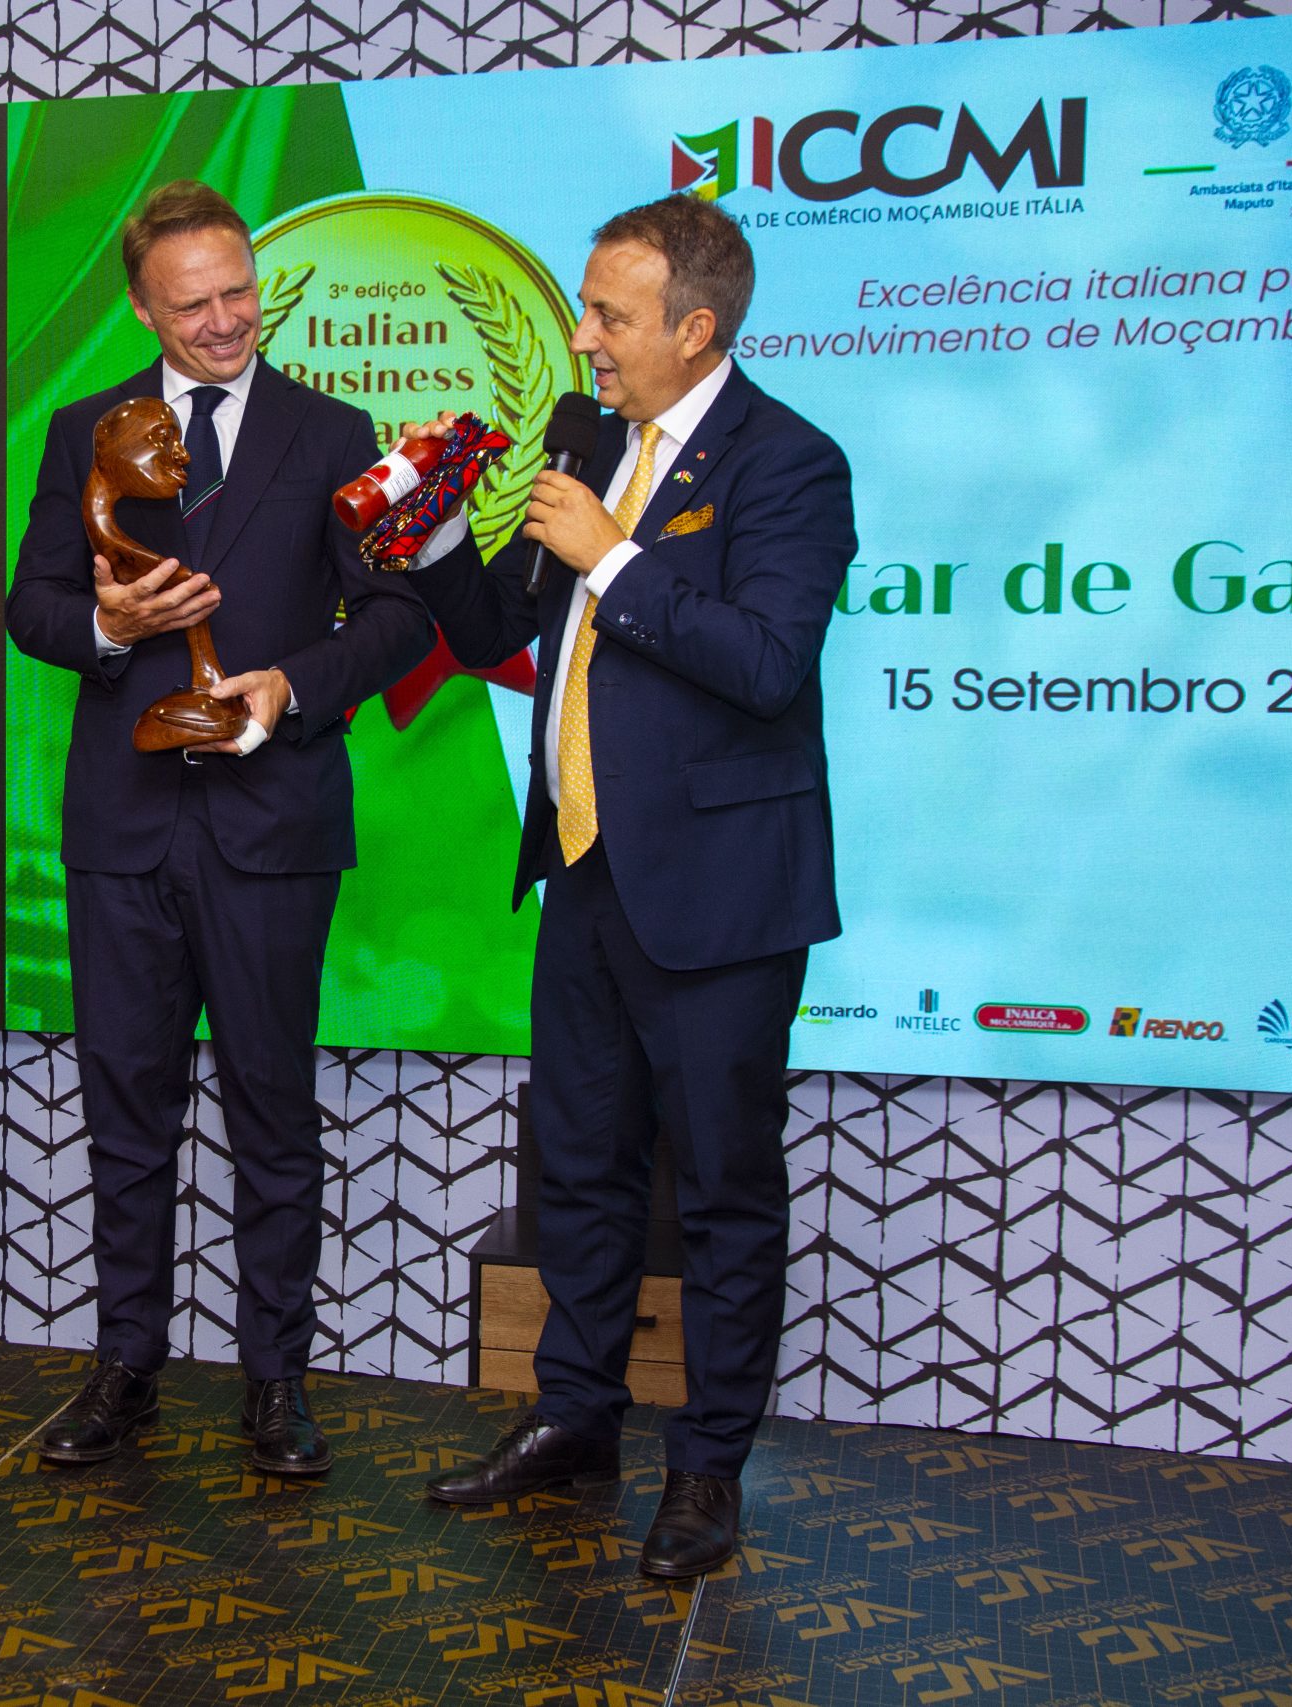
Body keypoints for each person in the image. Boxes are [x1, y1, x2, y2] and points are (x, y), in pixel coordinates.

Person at [401, 194, 855, 1576]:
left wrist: (613, 554)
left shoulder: (791, 463)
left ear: (694, 327)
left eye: (608, 315)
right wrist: (433, 533)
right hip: (585, 873)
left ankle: (706, 1469)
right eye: (585, 309)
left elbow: (765, 663)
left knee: (720, 1188)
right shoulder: (586, 440)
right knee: (581, 1170)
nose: (583, 337)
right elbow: (500, 628)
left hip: (719, 894)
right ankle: (574, 1416)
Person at [7, 180, 432, 1475]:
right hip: (123, 833)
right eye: (192, 304)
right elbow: (31, 606)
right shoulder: (84, 429)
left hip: (271, 825)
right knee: (125, 1115)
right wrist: (106, 627)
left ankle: (275, 1380)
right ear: (143, 308)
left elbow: (401, 620)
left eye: (239, 292)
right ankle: (125, 1366)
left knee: (272, 1114)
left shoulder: (336, 429)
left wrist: (292, 685)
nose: (224, 320)